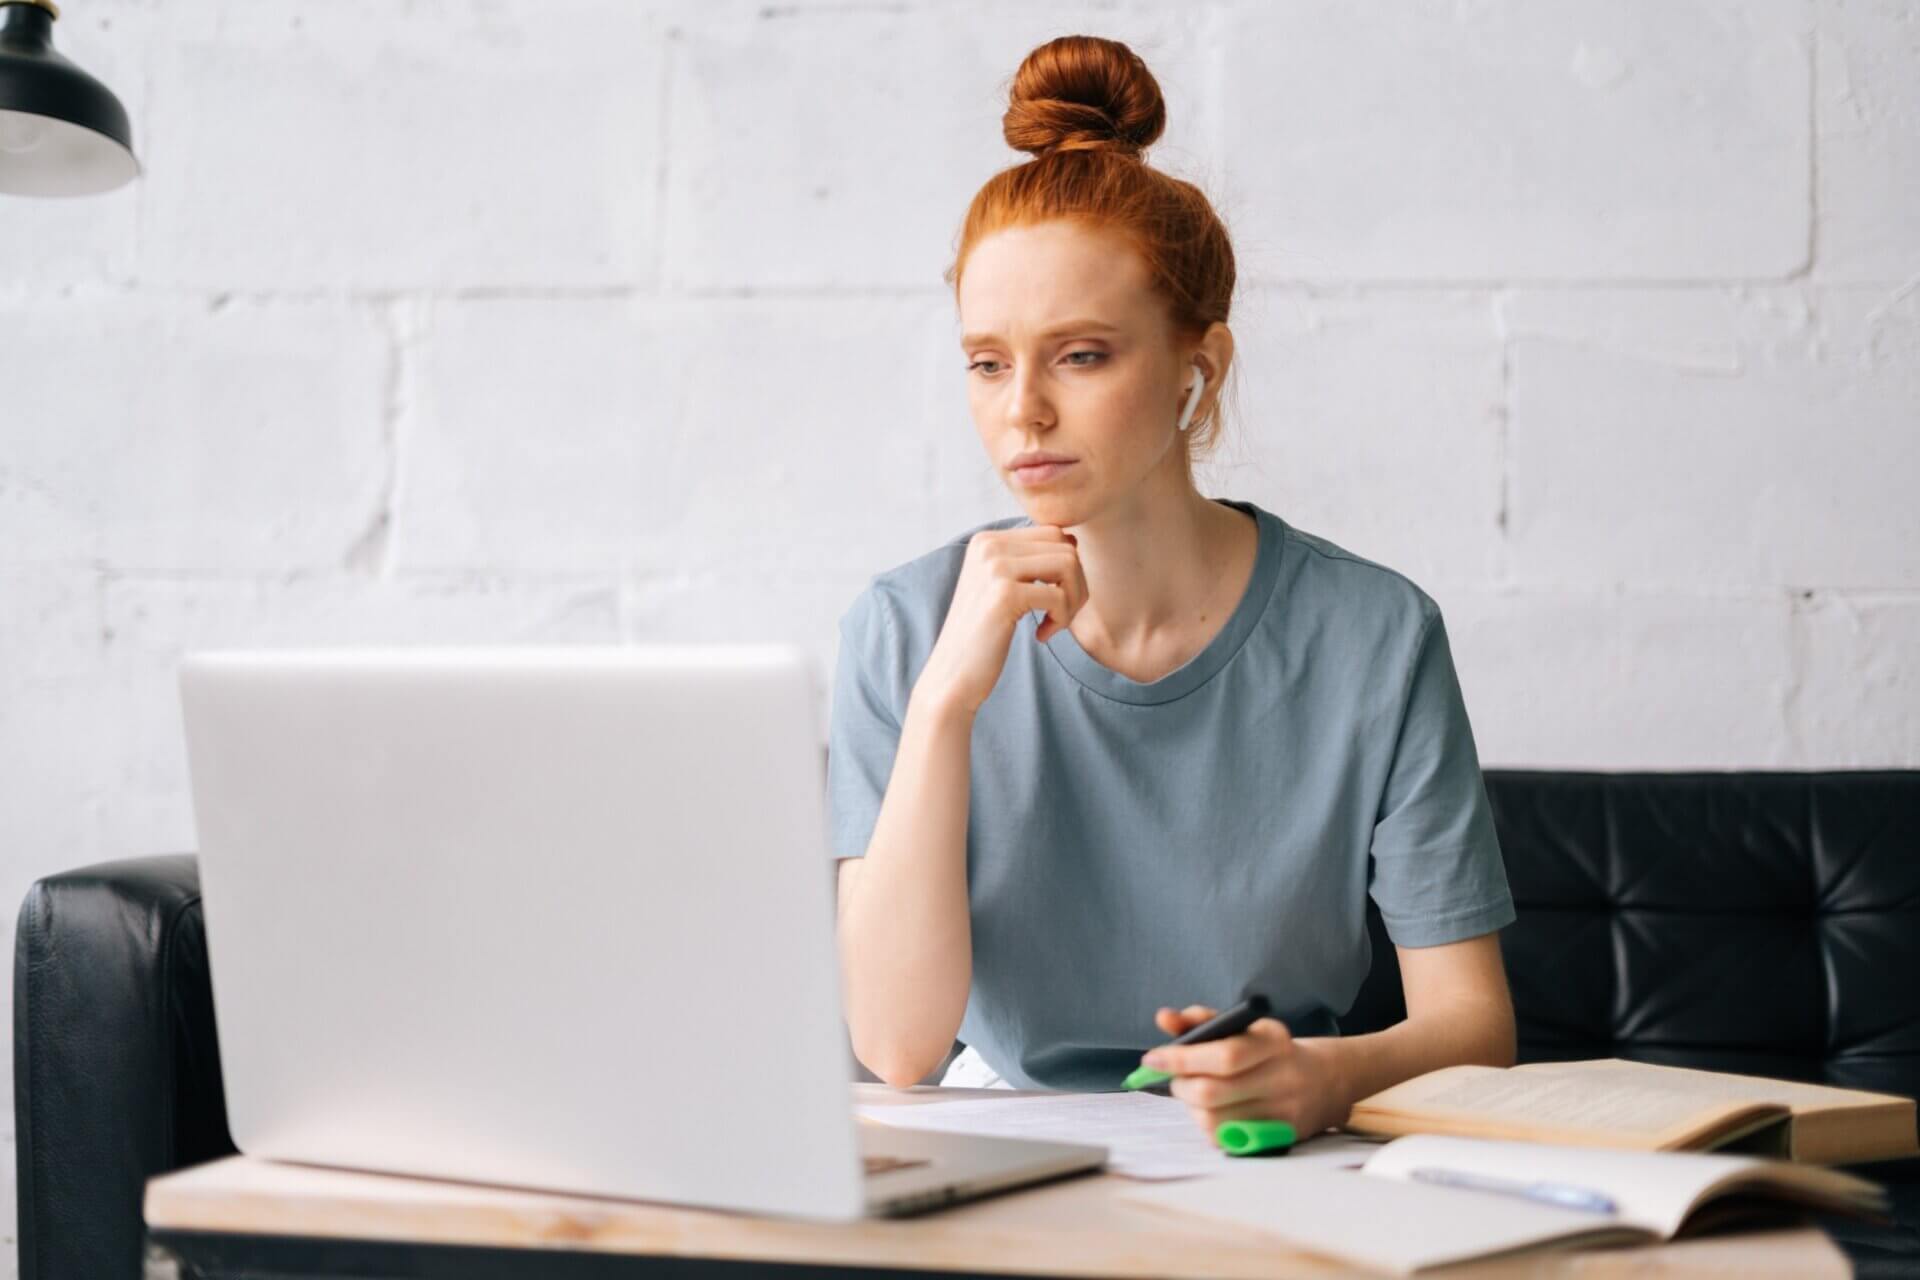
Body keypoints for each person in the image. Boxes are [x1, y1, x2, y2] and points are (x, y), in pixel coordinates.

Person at [827, 34, 1517, 1145]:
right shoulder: (904, 627)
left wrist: (1324, 1076)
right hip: (1005, 1152)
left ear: (1199, 368)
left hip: (1272, 1141)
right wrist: (947, 699)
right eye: (988, 361)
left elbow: (1474, 1024)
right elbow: (901, 1048)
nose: (1024, 412)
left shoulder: (1375, 632)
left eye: (1083, 354)